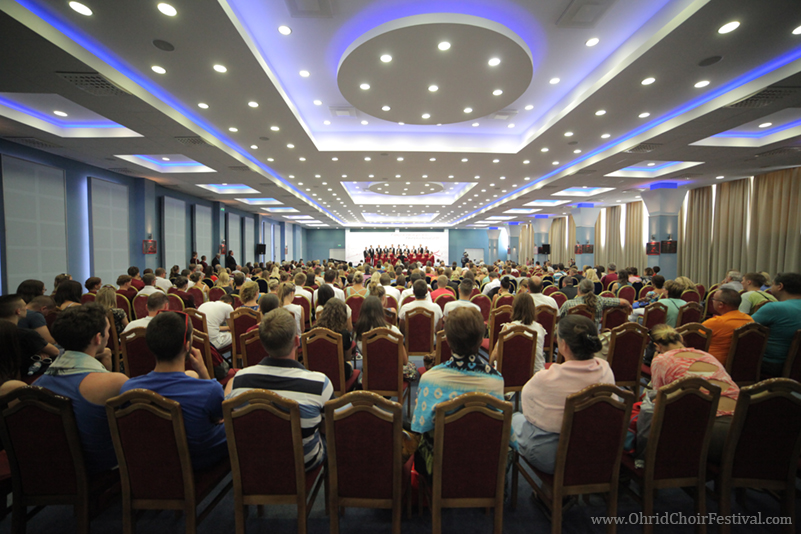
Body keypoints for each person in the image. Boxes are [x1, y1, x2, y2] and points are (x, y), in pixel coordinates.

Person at [225, 309, 333, 471]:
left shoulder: (239, 381)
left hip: (255, 462)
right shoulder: (319, 383)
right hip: (302, 464)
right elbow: (327, 427)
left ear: (262, 343)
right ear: (296, 341)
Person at [119, 311, 228, 470]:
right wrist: (204, 372)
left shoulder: (129, 390)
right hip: (200, 462)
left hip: (155, 463)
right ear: (188, 346)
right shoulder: (209, 390)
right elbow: (221, 416)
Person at [411, 306, 508, 476]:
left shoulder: (430, 378)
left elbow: (420, 426)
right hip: (484, 465)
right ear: (481, 340)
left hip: (440, 468)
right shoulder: (497, 381)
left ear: (447, 340)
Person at [513, 315, 614, 474]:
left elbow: (528, 409)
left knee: (513, 418)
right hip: (598, 454)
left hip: (556, 458)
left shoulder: (545, 378)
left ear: (564, 345)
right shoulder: (606, 369)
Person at [34, 304, 129, 474]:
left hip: (56, 469)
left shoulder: (37, 384)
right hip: (105, 468)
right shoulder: (115, 382)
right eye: (107, 330)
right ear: (98, 338)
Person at [641, 324, 739, 463]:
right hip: (741, 428)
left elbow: (659, 401)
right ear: (681, 338)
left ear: (657, 346)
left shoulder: (661, 360)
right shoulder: (707, 355)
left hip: (706, 433)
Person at [753, 272, 801, 376]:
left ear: (780, 286)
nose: (770, 287)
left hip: (772, 366)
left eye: (773, 284)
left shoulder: (774, 308)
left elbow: (744, 328)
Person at [0, 294, 59, 378]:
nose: (27, 308)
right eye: (25, 306)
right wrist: (39, 350)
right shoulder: (27, 334)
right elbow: (55, 352)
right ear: (18, 311)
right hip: (26, 375)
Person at [490, 293, 546, 374]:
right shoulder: (539, 328)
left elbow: (496, 354)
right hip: (536, 373)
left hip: (509, 374)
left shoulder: (508, 329)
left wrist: (490, 363)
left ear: (514, 308)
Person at [702, 288, 754, 364]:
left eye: (713, 299)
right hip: (741, 364)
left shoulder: (715, 322)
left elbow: (694, 341)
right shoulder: (749, 320)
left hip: (713, 364)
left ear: (720, 305)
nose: (712, 301)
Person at [559, 279, 632, 321]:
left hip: (572, 340)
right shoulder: (600, 300)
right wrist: (628, 305)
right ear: (593, 289)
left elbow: (559, 320)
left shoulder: (568, 304)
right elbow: (623, 302)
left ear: (578, 288)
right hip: (593, 338)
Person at [315, 298, 355, 371]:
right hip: (338, 370)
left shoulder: (314, 330)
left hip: (317, 369)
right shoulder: (344, 334)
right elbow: (348, 357)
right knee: (349, 364)